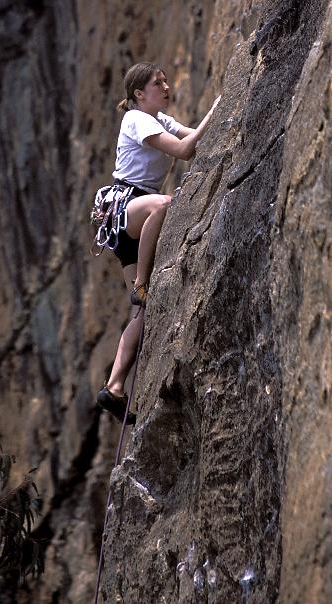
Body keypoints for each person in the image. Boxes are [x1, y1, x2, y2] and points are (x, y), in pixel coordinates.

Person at [94, 62, 220, 424]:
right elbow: (183, 150)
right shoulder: (136, 119)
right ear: (139, 93)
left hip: (130, 220)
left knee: (142, 313)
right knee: (164, 204)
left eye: (165, 81)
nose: (166, 87)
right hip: (129, 205)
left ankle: (114, 387)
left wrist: (215, 118)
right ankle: (141, 283)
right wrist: (217, 107)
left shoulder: (158, 118)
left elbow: (192, 137)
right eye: (157, 83)